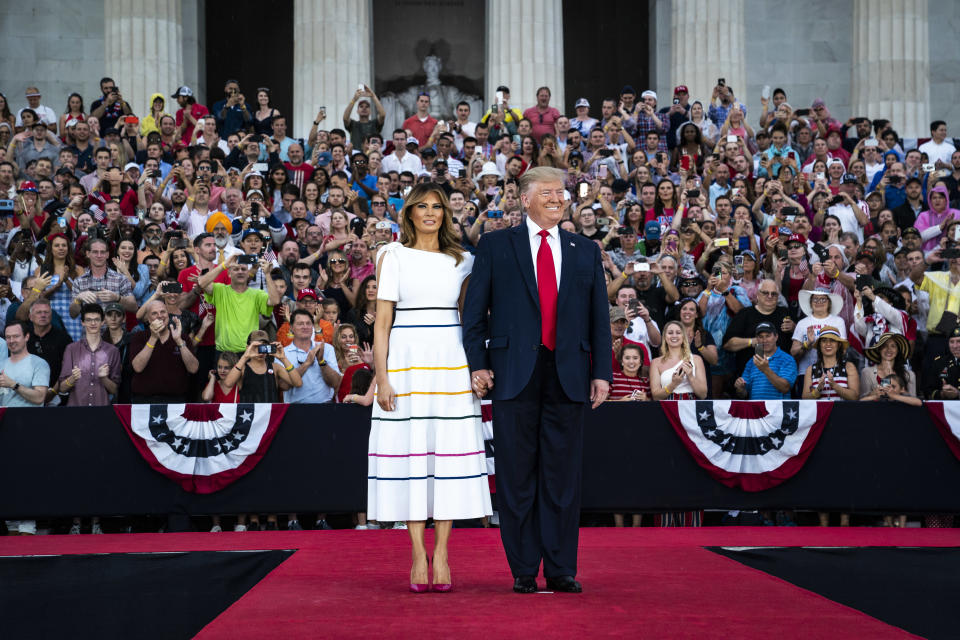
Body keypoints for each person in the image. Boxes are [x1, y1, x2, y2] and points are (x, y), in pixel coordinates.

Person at [463, 167, 612, 594]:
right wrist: (478, 364)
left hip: (568, 375)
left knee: (563, 477)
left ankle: (562, 568)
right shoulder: (494, 245)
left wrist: (601, 372)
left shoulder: (584, 249)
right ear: (524, 198)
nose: (556, 199)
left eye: (560, 193)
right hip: (512, 375)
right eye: (547, 192)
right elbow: (474, 316)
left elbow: (598, 319)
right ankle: (524, 569)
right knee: (516, 476)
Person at [369, 182, 492, 593]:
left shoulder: (464, 260)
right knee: (411, 456)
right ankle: (417, 553)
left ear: (445, 214)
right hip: (405, 362)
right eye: (421, 206)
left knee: (448, 458)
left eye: (436, 206)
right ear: (409, 213)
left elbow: (470, 319)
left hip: (450, 362)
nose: (429, 212)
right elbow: (382, 322)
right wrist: (382, 377)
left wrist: (477, 367)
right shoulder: (392, 255)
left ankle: (441, 551)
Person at [128, 300, 199, 403]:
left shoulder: (182, 337)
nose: (160, 316)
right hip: (144, 401)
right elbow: (138, 367)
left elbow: (193, 369)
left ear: (168, 315)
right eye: (154, 313)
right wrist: (153, 338)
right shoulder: (139, 337)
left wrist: (179, 341)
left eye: (163, 312)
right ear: (148, 319)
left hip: (176, 401)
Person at [58, 303, 122, 406]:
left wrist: (104, 378)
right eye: (88, 320)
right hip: (77, 410)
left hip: (101, 412)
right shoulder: (71, 349)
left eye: (96, 319)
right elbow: (62, 388)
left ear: (103, 322)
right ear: (82, 322)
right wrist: (72, 378)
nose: (93, 323)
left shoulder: (112, 351)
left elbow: (114, 390)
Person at [734, 322, 798, 400]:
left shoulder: (787, 359)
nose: (764, 340)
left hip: (778, 410)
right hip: (756, 409)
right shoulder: (751, 362)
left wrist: (765, 369)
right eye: (760, 337)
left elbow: (785, 388)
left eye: (768, 336)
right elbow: (743, 394)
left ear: (776, 337)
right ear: (757, 339)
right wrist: (740, 388)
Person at [649, 320, 708, 400]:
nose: (674, 336)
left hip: (690, 407)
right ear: (665, 337)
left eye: (678, 333)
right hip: (667, 408)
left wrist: (690, 376)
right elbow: (656, 396)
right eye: (670, 333)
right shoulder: (655, 363)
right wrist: (673, 384)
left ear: (683, 336)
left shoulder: (696, 359)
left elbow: (703, 394)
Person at [801, 326, 859, 400]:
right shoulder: (810, 370)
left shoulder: (849, 367)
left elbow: (855, 397)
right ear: (819, 345)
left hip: (843, 411)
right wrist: (818, 390)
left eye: (832, 340)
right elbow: (804, 398)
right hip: (820, 411)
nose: (828, 344)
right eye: (824, 340)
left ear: (839, 345)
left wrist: (834, 385)